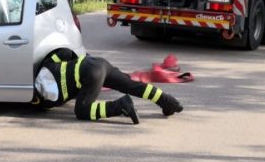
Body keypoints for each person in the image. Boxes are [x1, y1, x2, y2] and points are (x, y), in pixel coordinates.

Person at [32, 49, 184, 124]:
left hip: (90, 75)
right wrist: (75, 63)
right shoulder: (45, 65)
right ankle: (168, 101)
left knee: (82, 111)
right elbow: (64, 51)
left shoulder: (50, 101)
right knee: (132, 85)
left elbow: (76, 93)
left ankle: (121, 106)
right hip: (96, 63)